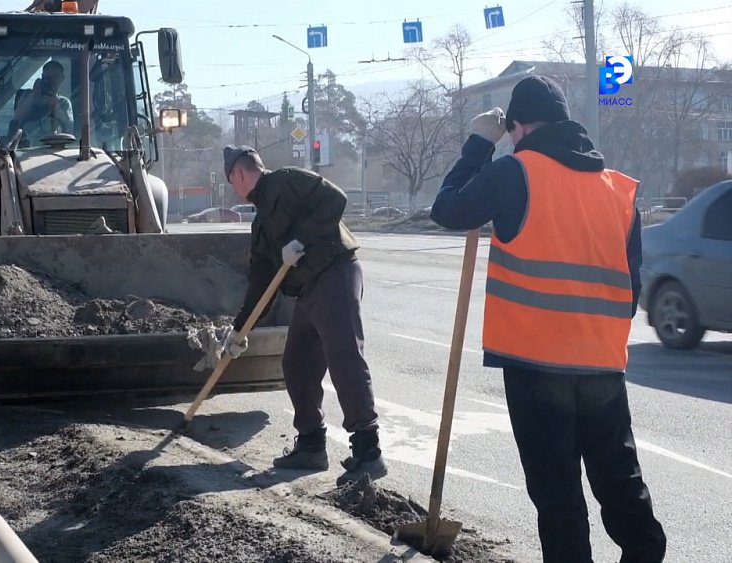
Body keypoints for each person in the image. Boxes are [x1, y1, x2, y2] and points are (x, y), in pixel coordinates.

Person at [430, 75, 666, 562]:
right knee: (619, 482)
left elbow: (448, 208)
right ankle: (646, 553)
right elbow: (630, 286)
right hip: (602, 366)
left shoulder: (516, 172)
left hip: (537, 366)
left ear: (518, 127)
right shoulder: (616, 190)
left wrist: (479, 143)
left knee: (558, 496)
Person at [221, 145, 386, 486]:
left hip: (335, 271)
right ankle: (312, 444)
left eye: (231, 182)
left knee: (344, 358)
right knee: (297, 363)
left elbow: (335, 200)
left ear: (238, 174)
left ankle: (368, 451)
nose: (233, 188)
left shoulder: (286, 181)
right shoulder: (261, 224)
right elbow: (261, 283)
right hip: (309, 290)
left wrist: (301, 239)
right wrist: (240, 330)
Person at [8, 60, 74, 143]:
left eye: (55, 77)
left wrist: (56, 107)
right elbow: (17, 118)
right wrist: (33, 96)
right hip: (25, 148)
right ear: (42, 77)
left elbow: (69, 129)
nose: (51, 81)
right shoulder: (27, 95)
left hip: (52, 148)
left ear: (62, 78)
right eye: (47, 78)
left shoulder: (64, 103)